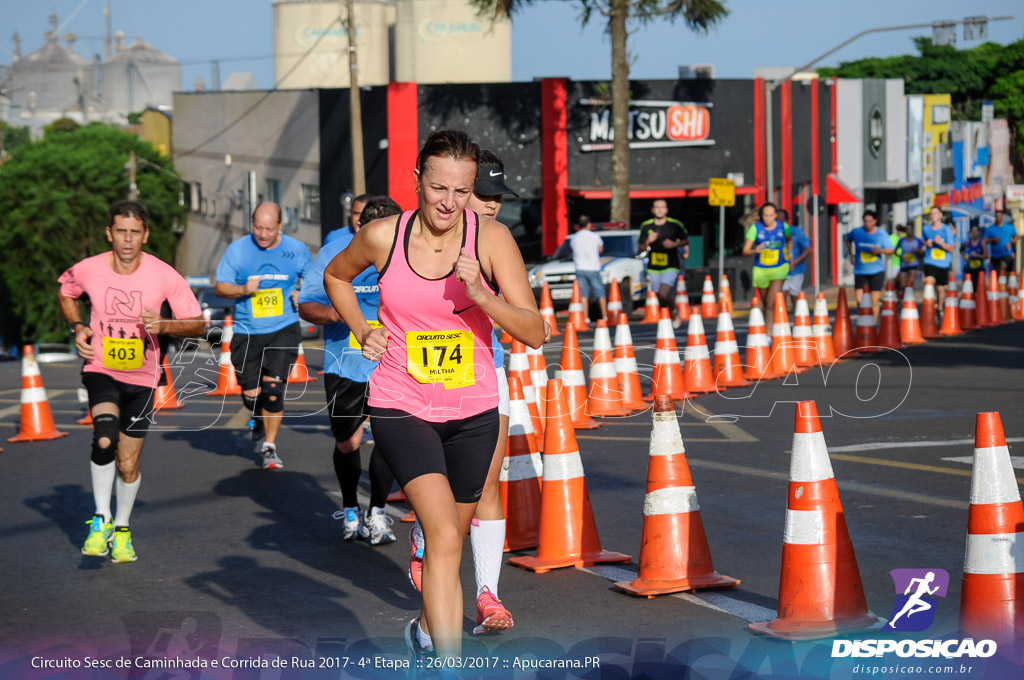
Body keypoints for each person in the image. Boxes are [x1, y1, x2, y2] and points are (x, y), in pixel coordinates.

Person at [324, 130, 544, 662]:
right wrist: (361, 326)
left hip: (472, 411)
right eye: (438, 186)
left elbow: (534, 331)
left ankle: (425, 631)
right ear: (418, 177)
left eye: (462, 191)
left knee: (449, 542)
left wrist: (482, 296)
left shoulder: (490, 240)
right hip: (401, 401)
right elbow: (336, 275)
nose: (448, 202)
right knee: (444, 534)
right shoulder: (383, 236)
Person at [58, 200, 205, 562]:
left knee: (128, 464)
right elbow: (66, 290)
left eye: (134, 232)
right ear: (109, 233)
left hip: (143, 377)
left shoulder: (164, 274)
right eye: (120, 231)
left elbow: (199, 324)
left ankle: (121, 527)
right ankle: (100, 518)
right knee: (104, 435)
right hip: (102, 369)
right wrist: (78, 327)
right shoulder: (89, 269)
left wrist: (165, 325)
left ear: (145, 235)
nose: (127, 239)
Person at [298, 196, 401, 545]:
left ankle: (377, 511)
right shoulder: (334, 252)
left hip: (394, 362)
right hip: (346, 362)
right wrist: (337, 313)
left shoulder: (408, 250)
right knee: (349, 441)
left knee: (390, 438)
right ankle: (351, 510)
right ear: (361, 228)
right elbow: (307, 304)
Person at [215, 202, 313, 470]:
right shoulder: (238, 250)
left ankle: (270, 447)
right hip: (248, 333)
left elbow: (316, 280)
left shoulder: (296, 250)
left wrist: (303, 295)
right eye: (258, 227)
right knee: (251, 396)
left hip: (283, 328)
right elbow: (221, 287)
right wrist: (242, 288)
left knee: (273, 392)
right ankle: (256, 415)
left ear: (280, 226)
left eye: (269, 228)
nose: (263, 234)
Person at [637, 199, 688, 318]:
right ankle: (666, 316)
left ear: (666, 210)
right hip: (654, 267)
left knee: (664, 293)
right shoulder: (646, 226)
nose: (659, 210)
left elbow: (686, 240)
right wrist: (648, 241)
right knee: (659, 295)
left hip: (671, 265)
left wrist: (673, 244)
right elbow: (641, 248)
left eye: (662, 207)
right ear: (652, 210)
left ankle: (674, 309)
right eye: (657, 207)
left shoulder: (674, 224)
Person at [844, 210, 894, 319]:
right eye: (865, 221)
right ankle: (864, 321)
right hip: (860, 271)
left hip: (877, 272)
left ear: (875, 221)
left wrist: (879, 251)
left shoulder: (881, 233)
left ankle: (873, 324)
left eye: (870, 221)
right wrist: (851, 254)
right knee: (859, 300)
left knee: (874, 301)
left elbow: (891, 250)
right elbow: (847, 240)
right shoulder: (857, 232)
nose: (868, 224)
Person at [742, 202, 793, 305]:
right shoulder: (755, 228)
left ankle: (771, 320)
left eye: (771, 216)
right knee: (766, 303)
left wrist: (789, 252)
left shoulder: (783, 227)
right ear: (761, 216)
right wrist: (755, 250)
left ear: (775, 215)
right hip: (761, 270)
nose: (768, 219)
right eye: (765, 216)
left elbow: (790, 240)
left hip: (780, 268)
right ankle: (770, 320)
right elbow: (745, 251)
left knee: (771, 302)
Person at [570, 214, 606, 323]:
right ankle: (605, 316)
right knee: (600, 293)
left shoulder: (574, 238)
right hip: (593, 267)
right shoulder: (595, 236)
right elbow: (600, 249)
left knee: (583, 294)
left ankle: (586, 317)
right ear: (589, 224)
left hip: (580, 268)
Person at [921, 206, 956, 311]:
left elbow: (950, 248)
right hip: (930, 261)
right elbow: (922, 241)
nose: (932, 216)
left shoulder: (946, 230)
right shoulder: (925, 229)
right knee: (929, 282)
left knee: (941, 288)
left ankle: (940, 307)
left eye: (935, 213)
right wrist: (926, 243)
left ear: (941, 215)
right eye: (931, 213)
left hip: (943, 263)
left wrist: (940, 243)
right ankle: (929, 308)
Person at [781, 222, 812, 311]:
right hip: (780, 271)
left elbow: (808, 250)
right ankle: (781, 319)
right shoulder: (772, 232)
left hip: (796, 271)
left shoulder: (796, 231)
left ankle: (799, 315)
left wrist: (795, 262)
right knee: (780, 296)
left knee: (795, 297)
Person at [983, 209, 1019, 274]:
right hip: (995, 255)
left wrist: (1010, 243)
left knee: (1003, 268)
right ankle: (1002, 283)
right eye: (997, 216)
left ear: (1002, 217)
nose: (998, 217)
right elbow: (984, 240)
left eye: (1000, 216)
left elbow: (1017, 236)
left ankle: (1004, 283)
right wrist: (993, 240)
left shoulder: (1009, 227)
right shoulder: (990, 228)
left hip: (1006, 253)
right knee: (998, 272)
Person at [895, 223, 925, 290]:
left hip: (913, 265)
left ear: (913, 230)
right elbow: (895, 251)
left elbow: (922, 254)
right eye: (907, 229)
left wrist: (917, 251)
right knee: (902, 285)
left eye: (910, 229)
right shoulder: (902, 240)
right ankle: (902, 298)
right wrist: (902, 257)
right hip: (903, 265)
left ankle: (909, 297)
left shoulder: (918, 241)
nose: (909, 231)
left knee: (910, 284)